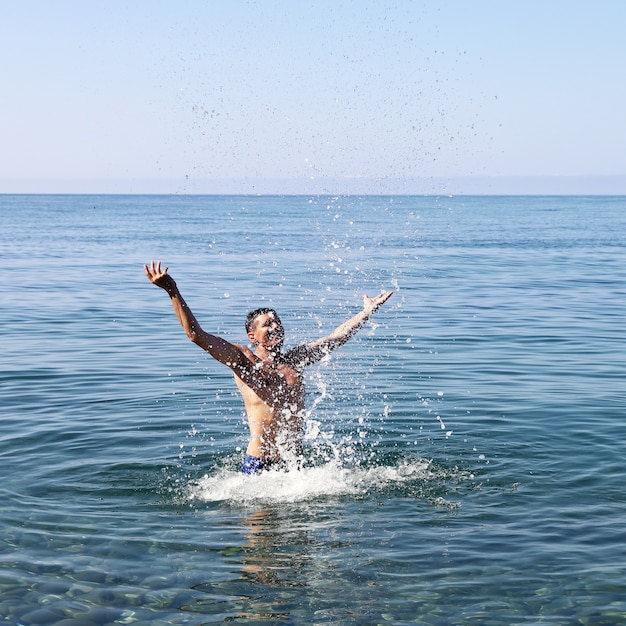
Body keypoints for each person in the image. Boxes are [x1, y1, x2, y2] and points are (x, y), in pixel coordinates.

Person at [144, 260, 393, 474]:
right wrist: (172, 290)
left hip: (293, 465)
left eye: (277, 322)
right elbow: (197, 335)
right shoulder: (243, 361)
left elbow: (337, 337)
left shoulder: (295, 359)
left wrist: (367, 312)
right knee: (259, 529)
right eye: (267, 324)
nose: (275, 327)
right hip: (259, 465)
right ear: (253, 336)